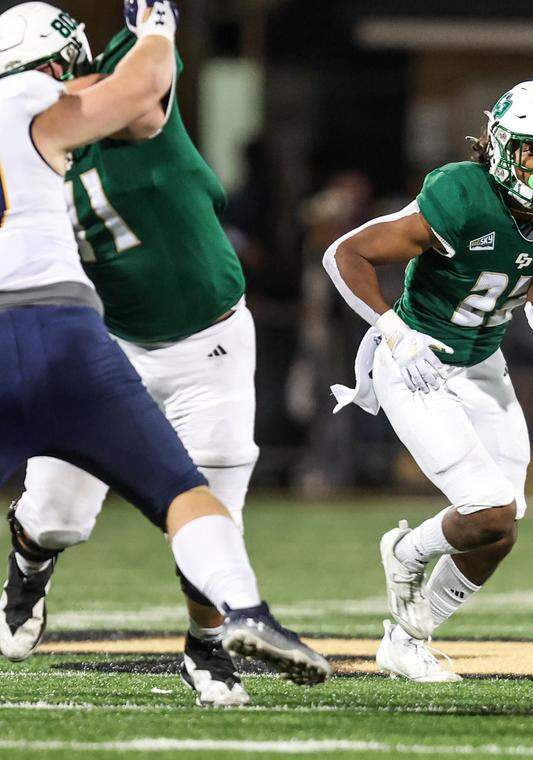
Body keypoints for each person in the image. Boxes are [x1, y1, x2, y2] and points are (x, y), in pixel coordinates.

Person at [0, 0, 328, 688]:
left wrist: (147, 38)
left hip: (203, 337)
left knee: (212, 500)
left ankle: (209, 644)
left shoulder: (86, 99)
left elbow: (145, 109)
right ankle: (29, 563)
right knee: (61, 517)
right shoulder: (40, 115)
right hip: (94, 339)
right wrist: (158, 22)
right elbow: (138, 89)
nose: (74, 73)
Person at [324, 81, 533, 681]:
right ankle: (405, 550)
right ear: (501, 145)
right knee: (487, 510)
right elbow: (345, 254)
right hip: (418, 359)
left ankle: (407, 641)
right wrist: (392, 331)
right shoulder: (462, 195)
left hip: (484, 363)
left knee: (500, 530)